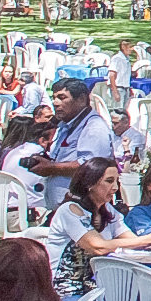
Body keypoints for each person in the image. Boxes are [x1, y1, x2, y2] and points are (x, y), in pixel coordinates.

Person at [49, 158, 151, 301]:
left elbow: (135, 242)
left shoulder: (108, 210)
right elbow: (98, 247)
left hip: (96, 290)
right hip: (66, 294)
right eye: (109, 181)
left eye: (117, 181)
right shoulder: (70, 210)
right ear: (90, 183)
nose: (116, 187)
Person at [28, 77, 115, 209]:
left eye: (62, 97)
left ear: (81, 99)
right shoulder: (66, 125)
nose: (55, 103)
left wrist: (52, 168)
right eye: (54, 97)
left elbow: (92, 168)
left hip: (82, 210)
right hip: (63, 209)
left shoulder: (94, 127)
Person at [0, 116, 52, 211]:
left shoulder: (12, 152)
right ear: (43, 140)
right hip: (28, 213)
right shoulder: (39, 154)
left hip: (4, 209)